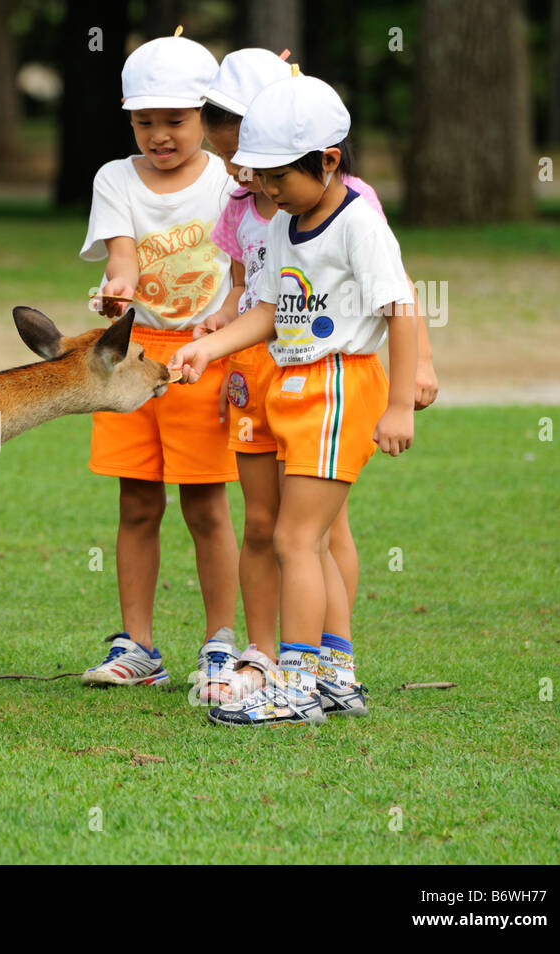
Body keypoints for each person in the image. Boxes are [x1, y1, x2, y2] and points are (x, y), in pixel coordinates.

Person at [171, 72, 417, 726]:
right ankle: (334, 676)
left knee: (296, 536)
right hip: (291, 383)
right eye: (258, 175)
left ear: (329, 161)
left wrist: (398, 404)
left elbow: (403, 309)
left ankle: (299, 683)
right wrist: (209, 348)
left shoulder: (357, 224)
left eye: (277, 176)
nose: (264, 189)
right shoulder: (283, 226)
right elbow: (270, 312)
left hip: (338, 384)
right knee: (302, 535)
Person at [77, 32, 242, 690]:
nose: (160, 135)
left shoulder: (232, 181)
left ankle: (221, 643)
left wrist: (223, 330)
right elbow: (123, 258)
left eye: (175, 120)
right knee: (137, 504)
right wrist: (117, 289)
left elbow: (242, 271)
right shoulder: (115, 178)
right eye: (145, 122)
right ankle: (137, 647)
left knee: (207, 507)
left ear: (206, 114)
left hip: (204, 356)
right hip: (132, 361)